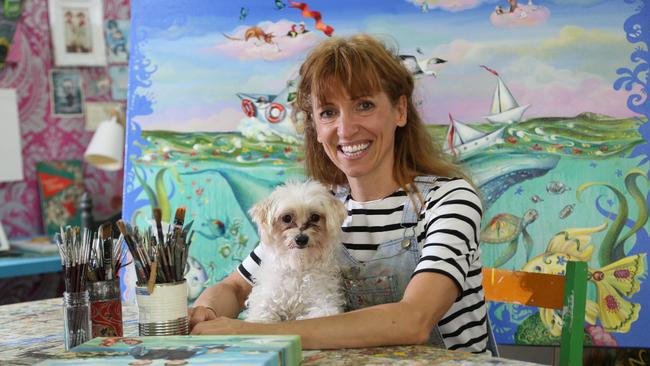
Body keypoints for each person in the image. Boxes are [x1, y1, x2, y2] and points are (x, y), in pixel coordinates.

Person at [189, 34, 488, 353]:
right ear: (315, 127)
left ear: (400, 110)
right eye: (329, 112)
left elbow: (413, 319)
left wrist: (256, 332)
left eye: (364, 105)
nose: (346, 129)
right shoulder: (323, 205)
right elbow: (235, 288)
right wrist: (205, 311)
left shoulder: (449, 199)